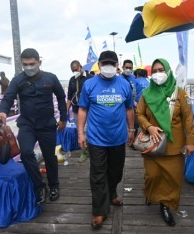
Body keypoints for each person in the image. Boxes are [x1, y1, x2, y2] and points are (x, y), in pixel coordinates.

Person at [0, 48, 67, 205]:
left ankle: (54, 185)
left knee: (49, 157)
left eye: (32, 64)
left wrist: (63, 119)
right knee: (26, 153)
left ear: (39, 62)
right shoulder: (17, 80)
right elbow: (8, 98)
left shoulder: (51, 78)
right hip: (27, 124)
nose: (29, 67)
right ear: (21, 64)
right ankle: (39, 186)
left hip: (47, 125)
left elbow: (61, 97)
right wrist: (2, 112)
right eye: (25, 64)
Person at [77, 50, 135, 229]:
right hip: (96, 139)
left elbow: (129, 109)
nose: (108, 66)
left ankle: (111, 193)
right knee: (97, 174)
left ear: (117, 66)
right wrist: (81, 133)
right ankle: (100, 211)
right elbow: (83, 110)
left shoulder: (124, 84)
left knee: (116, 171)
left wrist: (131, 129)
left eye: (112, 63)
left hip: (118, 137)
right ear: (99, 65)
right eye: (105, 63)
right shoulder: (89, 84)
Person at [136, 58, 194, 226]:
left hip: (174, 146)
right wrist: (149, 127)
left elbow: (189, 119)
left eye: (161, 70)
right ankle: (150, 194)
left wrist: (191, 141)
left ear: (168, 71)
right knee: (152, 176)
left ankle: (165, 205)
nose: (157, 74)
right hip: (152, 144)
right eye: (154, 71)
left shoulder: (180, 94)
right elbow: (139, 114)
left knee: (172, 178)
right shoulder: (146, 94)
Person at [66, 60, 91, 162]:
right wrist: (66, 109)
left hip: (90, 109)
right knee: (80, 131)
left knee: (91, 130)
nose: (74, 72)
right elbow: (69, 97)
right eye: (73, 71)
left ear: (81, 67)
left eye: (76, 70)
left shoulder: (90, 78)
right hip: (76, 110)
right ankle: (84, 152)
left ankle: (92, 149)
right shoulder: (72, 80)